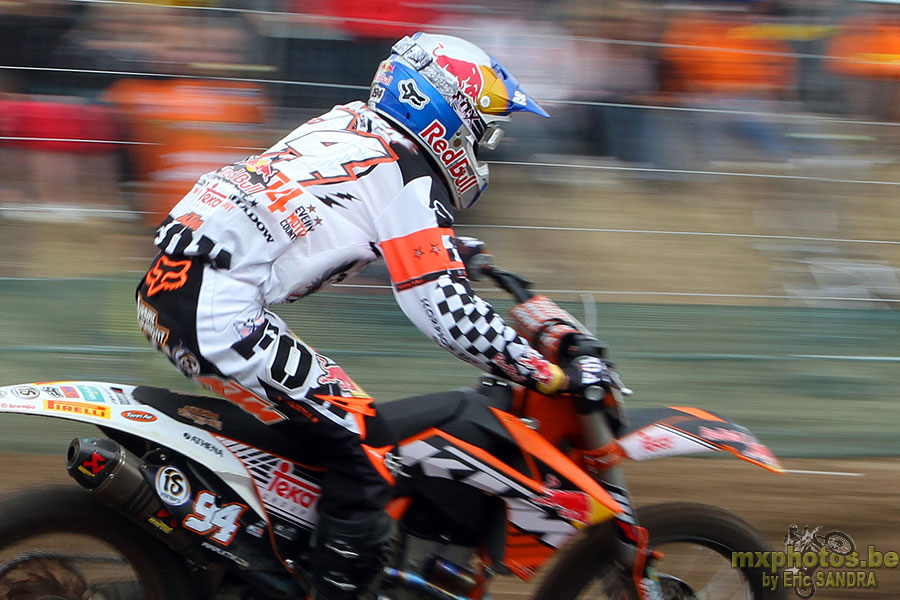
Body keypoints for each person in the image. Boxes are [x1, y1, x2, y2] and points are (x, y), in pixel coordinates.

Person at [136, 32, 654, 600]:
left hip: (175, 289)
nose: (484, 146)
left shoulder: (351, 125)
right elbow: (442, 308)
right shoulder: (409, 178)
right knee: (365, 443)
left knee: (310, 440)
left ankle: (267, 559)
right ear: (445, 115)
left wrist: (452, 246)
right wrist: (542, 371)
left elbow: (344, 207)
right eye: (481, 129)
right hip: (219, 310)